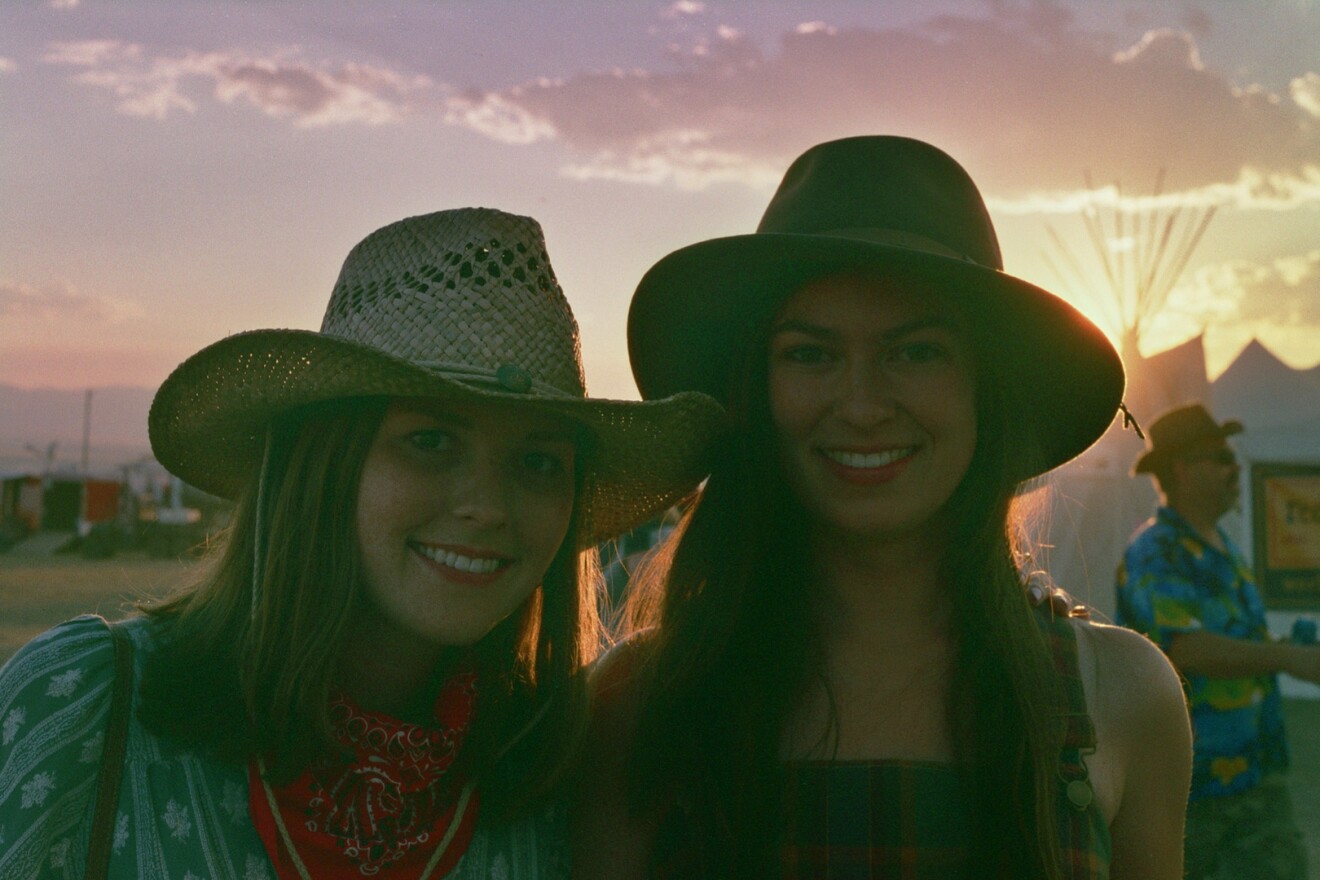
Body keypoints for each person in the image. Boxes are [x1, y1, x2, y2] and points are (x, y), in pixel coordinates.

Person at [0, 208, 723, 879]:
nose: (488, 507)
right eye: (430, 440)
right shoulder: (89, 705)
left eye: (538, 462)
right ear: (323, 466)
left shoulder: (556, 781)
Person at [572, 136, 1193, 879]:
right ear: (755, 395)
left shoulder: (1121, 696)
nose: (862, 407)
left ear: (984, 391)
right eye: (810, 354)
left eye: (916, 352)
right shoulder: (639, 704)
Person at [1117, 403, 1319, 880]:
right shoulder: (1156, 552)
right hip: (1196, 792)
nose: (1235, 468)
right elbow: (1184, 649)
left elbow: (1232, 639)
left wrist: (1285, 644)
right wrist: (1287, 657)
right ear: (1182, 469)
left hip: (1256, 776)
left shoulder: (1221, 546)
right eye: (1220, 458)